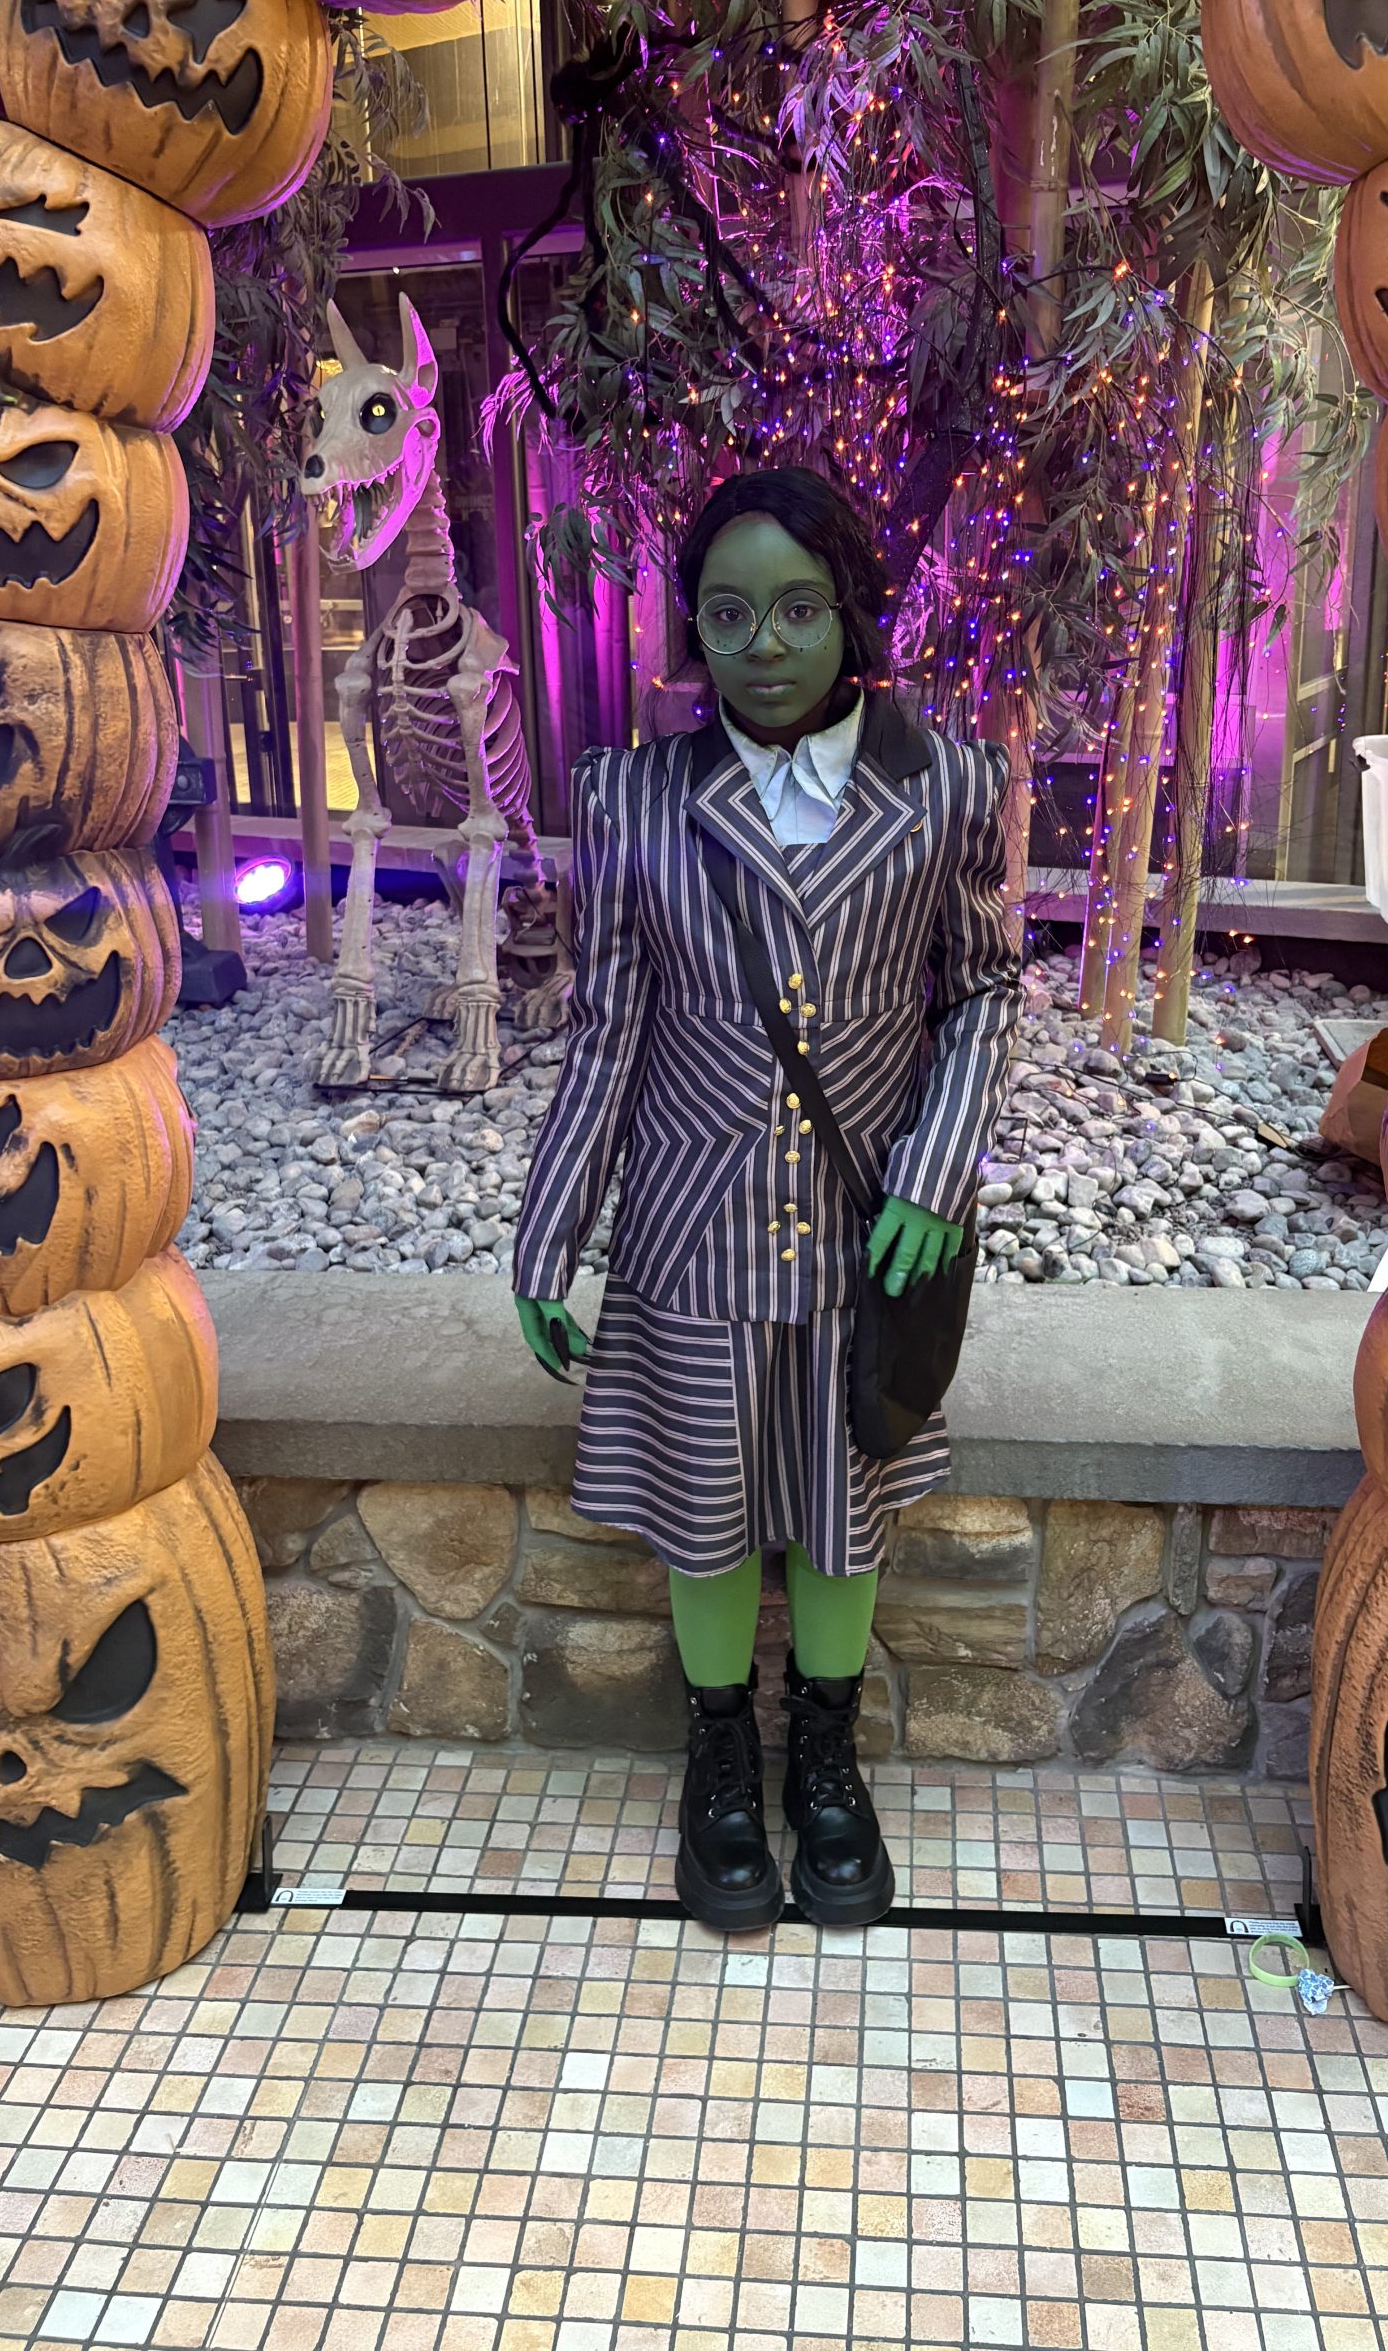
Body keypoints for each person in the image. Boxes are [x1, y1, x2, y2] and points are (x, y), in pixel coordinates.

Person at [512, 466, 1018, 1931]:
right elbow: (607, 1029)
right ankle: (722, 1757)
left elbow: (984, 992)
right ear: (696, 627)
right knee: (710, 1508)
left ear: (849, 608)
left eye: (798, 606)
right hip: (691, 1229)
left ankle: (829, 1757)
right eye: (728, 614)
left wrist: (937, 1173)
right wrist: (549, 1234)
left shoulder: (949, 786)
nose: (765, 643)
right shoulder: (632, 797)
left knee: (843, 1500)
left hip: (866, 1230)